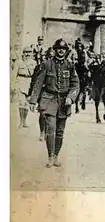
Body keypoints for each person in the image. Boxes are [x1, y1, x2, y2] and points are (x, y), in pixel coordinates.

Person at [28, 38, 80, 168]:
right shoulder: (47, 64)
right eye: (59, 49)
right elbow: (38, 83)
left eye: (63, 49)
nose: (61, 51)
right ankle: (50, 156)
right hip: (49, 99)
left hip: (64, 102)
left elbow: (75, 85)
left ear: (66, 51)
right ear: (55, 50)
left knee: (60, 131)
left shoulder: (70, 66)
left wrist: (70, 98)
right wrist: (33, 100)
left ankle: (56, 156)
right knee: (50, 128)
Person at [11, 47, 37, 128]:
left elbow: (36, 75)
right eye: (26, 52)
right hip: (21, 82)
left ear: (32, 53)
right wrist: (13, 85)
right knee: (21, 103)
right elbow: (14, 74)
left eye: (29, 52)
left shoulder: (34, 62)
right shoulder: (18, 62)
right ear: (23, 53)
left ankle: (25, 121)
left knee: (26, 103)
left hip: (29, 83)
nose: (27, 54)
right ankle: (21, 121)